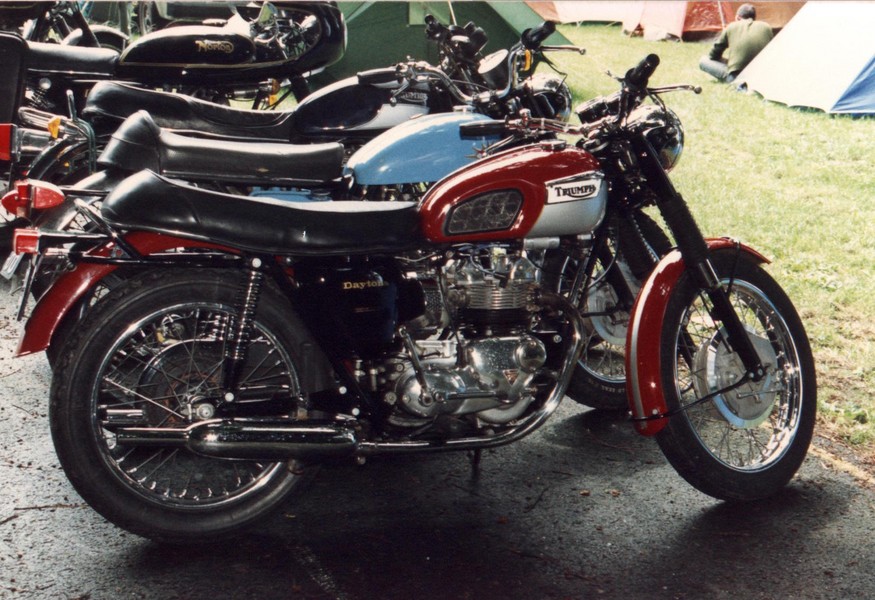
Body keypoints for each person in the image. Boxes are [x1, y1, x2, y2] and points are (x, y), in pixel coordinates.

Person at [699, 4, 773, 83]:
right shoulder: (766, 27)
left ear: (738, 17)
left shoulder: (731, 26)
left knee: (704, 60)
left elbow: (713, 55)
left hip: (736, 77)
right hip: (761, 75)